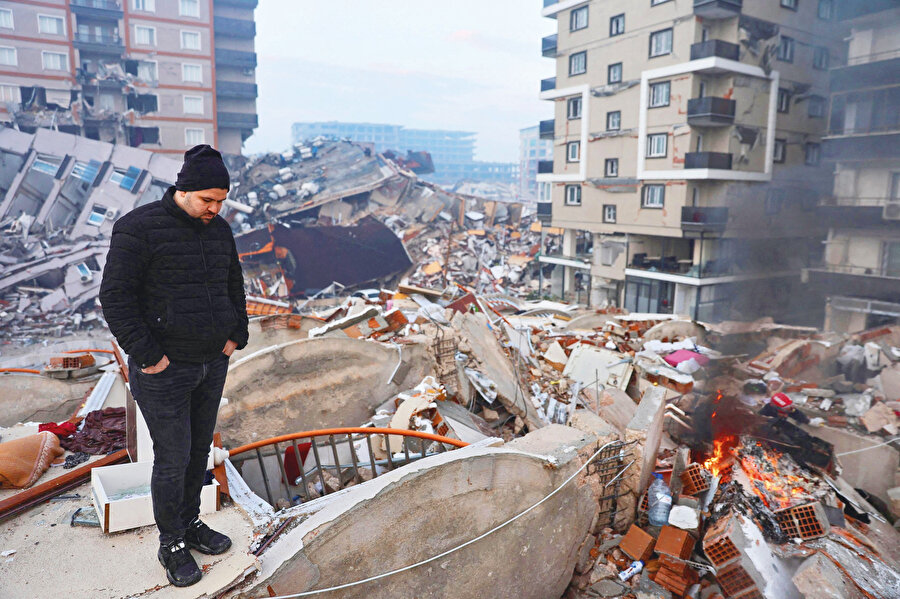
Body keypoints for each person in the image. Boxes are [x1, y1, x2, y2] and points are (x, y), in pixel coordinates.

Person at [99, 145, 249, 587]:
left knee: (199, 452)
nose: (215, 209)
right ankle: (172, 544)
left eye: (221, 201)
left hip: (212, 362)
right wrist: (148, 355)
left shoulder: (219, 229)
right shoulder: (138, 228)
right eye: (207, 199)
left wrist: (235, 334)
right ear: (183, 190)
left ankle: (191, 524)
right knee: (172, 458)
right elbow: (115, 297)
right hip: (164, 370)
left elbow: (233, 283)